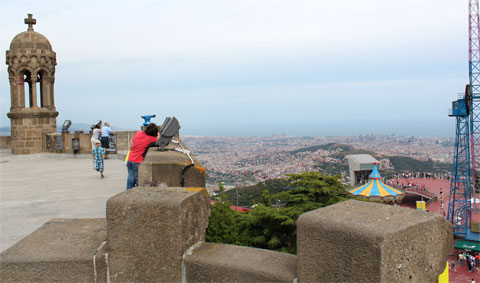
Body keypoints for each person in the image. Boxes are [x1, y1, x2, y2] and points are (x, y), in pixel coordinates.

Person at [126, 123, 159, 190]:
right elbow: (159, 141)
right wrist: (158, 135)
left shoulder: (138, 133)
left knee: (130, 181)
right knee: (139, 182)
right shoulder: (152, 139)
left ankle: (127, 195)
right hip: (137, 161)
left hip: (130, 159)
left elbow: (132, 142)